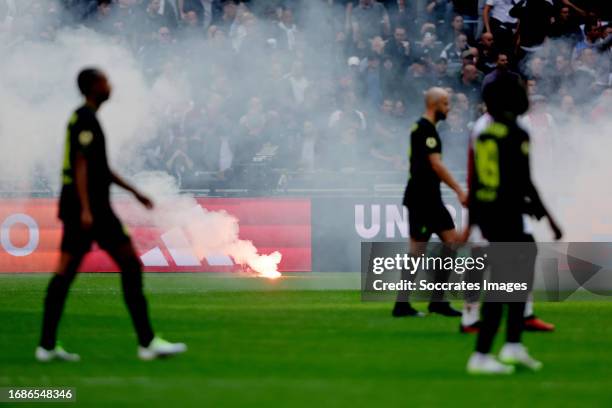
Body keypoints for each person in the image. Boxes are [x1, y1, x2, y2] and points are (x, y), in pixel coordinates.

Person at [36, 68, 187, 362]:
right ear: (93, 87)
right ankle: (146, 343)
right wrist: (87, 210)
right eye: (106, 81)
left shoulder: (86, 118)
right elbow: (80, 165)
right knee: (120, 266)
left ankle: (47, 346)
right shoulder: (85, 119)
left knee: (73, 273)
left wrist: (134, 191)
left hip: (89, 207)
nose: (110, 86)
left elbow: (99, 168)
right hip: (89, 208)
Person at [464, 73, 562, 374]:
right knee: (506, 282)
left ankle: (513, 344)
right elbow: (522, 180)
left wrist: (472, 222)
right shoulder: (515, 132)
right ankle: (481, 355)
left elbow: (485, 181)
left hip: (494, 213)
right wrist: (547, 216)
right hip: (504, 213)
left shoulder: (486, 131)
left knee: (521, 266)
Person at [392, 87, 467, 318]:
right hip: (422, 198)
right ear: (436, 104)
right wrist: (458, 189)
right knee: (420, 250)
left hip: (429, 197)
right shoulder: (426, 130)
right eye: (446, 103)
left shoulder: (424, 128)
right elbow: (436, 164)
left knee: (450, 243)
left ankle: (435, 301)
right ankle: (405, 305)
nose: (449, 108)